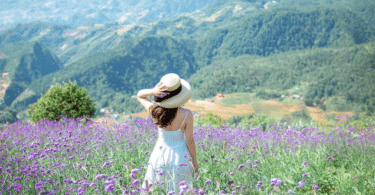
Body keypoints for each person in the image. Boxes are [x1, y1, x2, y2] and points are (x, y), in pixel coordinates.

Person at [137, 73, 199, 194]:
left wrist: (153, 91)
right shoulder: (187, 114)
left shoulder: (155, 111)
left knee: (156, 190)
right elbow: (190, 140)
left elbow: (140, 96)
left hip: (159, 156)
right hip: (181, 158)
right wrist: (195, 161)